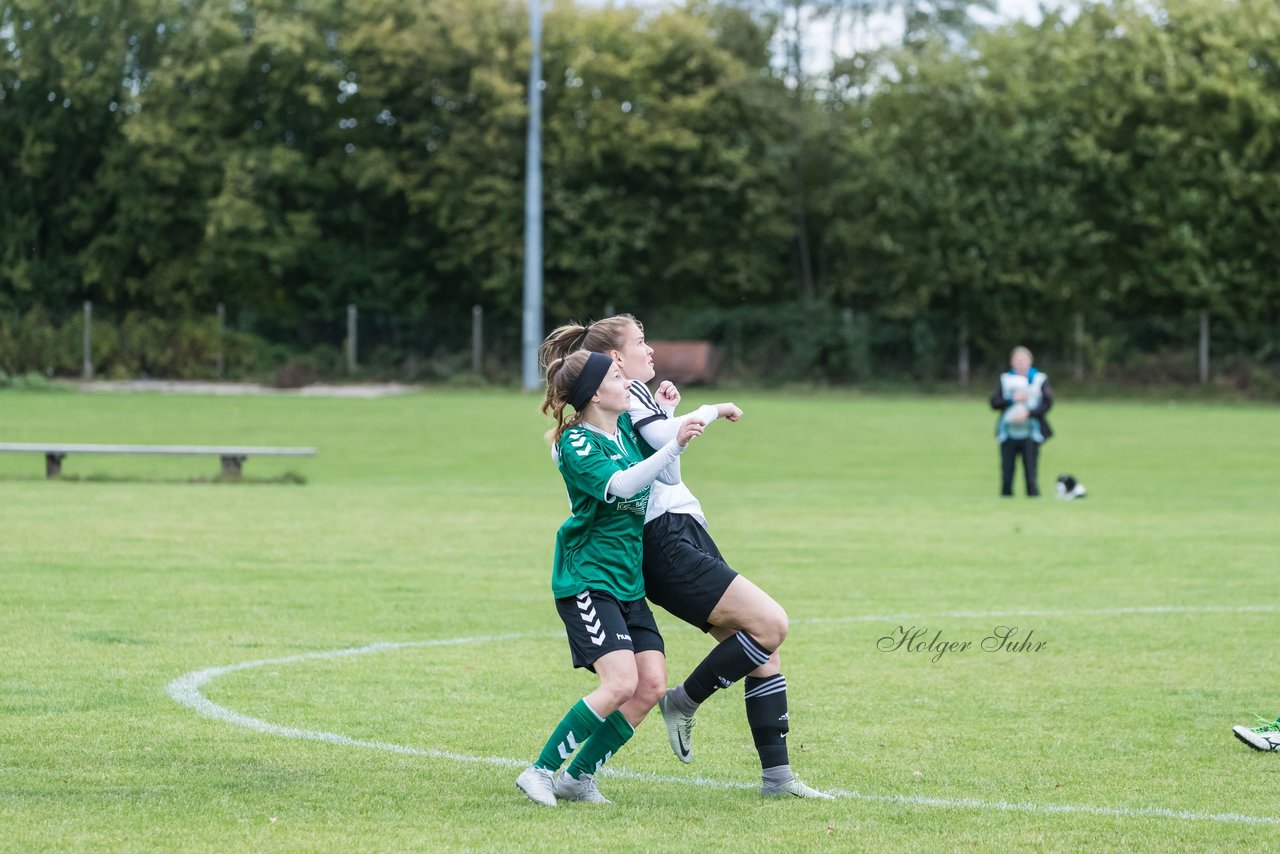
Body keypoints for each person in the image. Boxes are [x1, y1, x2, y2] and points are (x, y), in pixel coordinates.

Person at [545, 315, 831, 799]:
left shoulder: (632, 399)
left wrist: (664, 413)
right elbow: (650, 456)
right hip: (662, 540)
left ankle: (777, 777)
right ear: (614, 359)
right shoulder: (619, 400)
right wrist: (707, 410)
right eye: (640, 342)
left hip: (683, 530)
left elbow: (668, 471)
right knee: (770, 624)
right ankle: (683, 701)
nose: (650, 350)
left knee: (762, 644)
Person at [515, 345, 708, 807]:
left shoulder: (623, 428)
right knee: (619, 683)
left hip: (626, 581)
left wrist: (669, 419)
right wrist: (674, 441)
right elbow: (620, 486)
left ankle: (578, 776)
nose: (627, 386)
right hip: (588, 578)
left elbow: (666, 476)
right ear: (596, 393)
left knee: (651, 686)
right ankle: (540, 771)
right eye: (618, 380)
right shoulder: (576, 443)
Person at [989, 345, 1054, 497]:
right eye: (1017, 360)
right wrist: (1012, 400)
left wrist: (1028, 413)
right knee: (1007, 475)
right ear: (1011, 362)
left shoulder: (1039, 380)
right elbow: (994, 402)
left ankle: (1033, 503)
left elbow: (1047, 403)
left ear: (1030, 362)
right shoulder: (1005, 379)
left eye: (1024, 360)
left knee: (1031, 476)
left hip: (1031, 434)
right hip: (1008, 434)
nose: (1020, 363)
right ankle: (1006, 502)